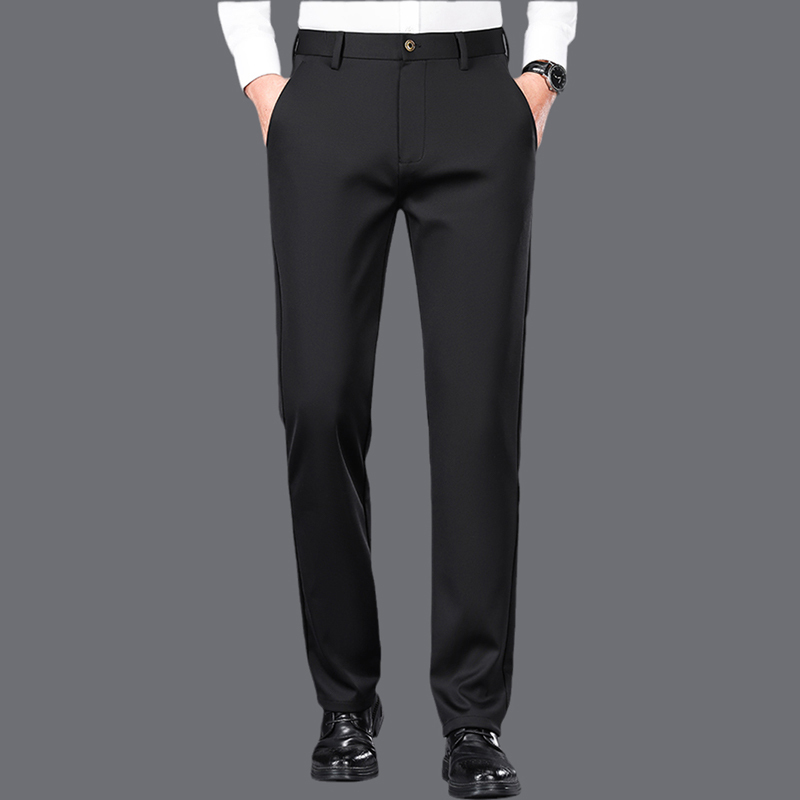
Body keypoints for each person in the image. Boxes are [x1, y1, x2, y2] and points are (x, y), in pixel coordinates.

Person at [217, 1, 578, 796]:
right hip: (329, 90)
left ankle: (473, 717)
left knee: (478, 418)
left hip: (474, 90)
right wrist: (261, 77)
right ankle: (345, 700)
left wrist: (545, 67)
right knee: (317, 400)